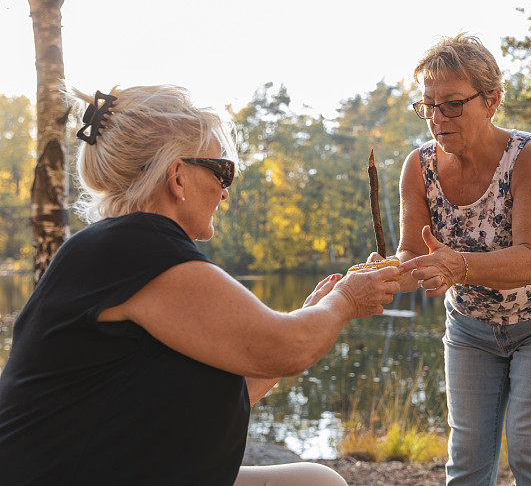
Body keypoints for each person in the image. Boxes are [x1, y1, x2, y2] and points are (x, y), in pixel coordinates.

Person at [0, 85, 400, 486]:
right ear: (177, 177)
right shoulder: (135, 248)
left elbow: (227, 390)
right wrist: (346, 300)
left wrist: (314, 312)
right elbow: (286, 347)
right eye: (222, 170)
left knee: (317, 482)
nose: (226, 191)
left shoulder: (115, 249)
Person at [391, 35, 531, 485]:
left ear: (493, 100)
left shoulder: (529, 157)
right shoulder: (417, 167)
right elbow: (415, 253)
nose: (438, 119)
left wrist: (456, 266)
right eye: (429, 106)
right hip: (471, 328)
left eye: (453, 104)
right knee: (467, 462)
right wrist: (388, 272)